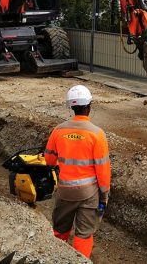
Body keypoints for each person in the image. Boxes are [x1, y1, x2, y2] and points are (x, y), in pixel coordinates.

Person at [44, 85, 111, 258]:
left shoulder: (58, 130)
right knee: (83, 234)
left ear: (72, 107)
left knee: (60, 230)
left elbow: (49, 160)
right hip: (89, 194)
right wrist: (104, 195)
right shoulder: (97, 134)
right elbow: (103, 171)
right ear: (89, 106)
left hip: (65, 191)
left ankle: (58, 259)